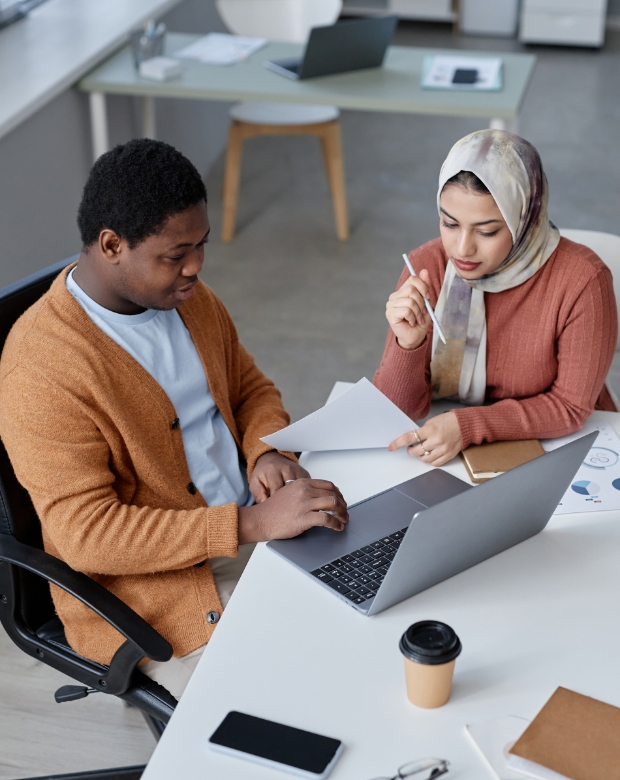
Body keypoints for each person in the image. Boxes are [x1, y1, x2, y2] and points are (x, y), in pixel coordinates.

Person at [0, 139, 348, 699]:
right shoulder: (43, 369)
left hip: (256, 528)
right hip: (160, 594)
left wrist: (266, 451)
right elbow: (87, 535)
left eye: (201, 245)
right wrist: (250, 525)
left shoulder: (188, 299)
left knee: (372, 623)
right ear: (112, 245)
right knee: (296, 700)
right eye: (176, 254)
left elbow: (249, 388)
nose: (196, 267)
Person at [375, 129, 617, 466]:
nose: (462, 249)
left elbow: (571, 407)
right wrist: (408, 344)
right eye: (449, 224)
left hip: (563, 445)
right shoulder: (426, 267)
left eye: (487, 231)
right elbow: (394, 414)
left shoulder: (583, 281)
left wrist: (469, 426)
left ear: (525, 220)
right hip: (448, 445)